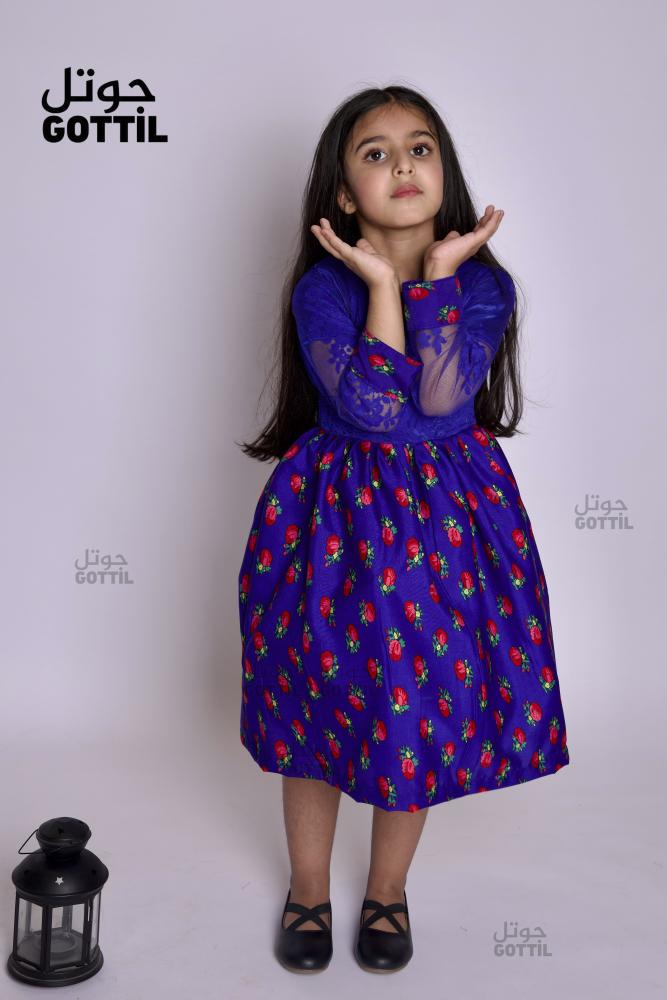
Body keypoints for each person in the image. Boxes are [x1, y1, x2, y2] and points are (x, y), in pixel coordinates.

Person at [235, 84, 571, 975]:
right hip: (333, 523)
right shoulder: (323, 288)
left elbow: (441, 393)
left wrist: (435, 281)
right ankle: (309, 888)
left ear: (444, 172)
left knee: (411, 703)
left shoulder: (482, 283)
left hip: (447, 527)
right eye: (374, 154)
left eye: (419, 148)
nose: (402, 166)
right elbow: (376, 411)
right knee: (318, 693)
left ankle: (387, 890)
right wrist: (383, 284)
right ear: (344, 195)